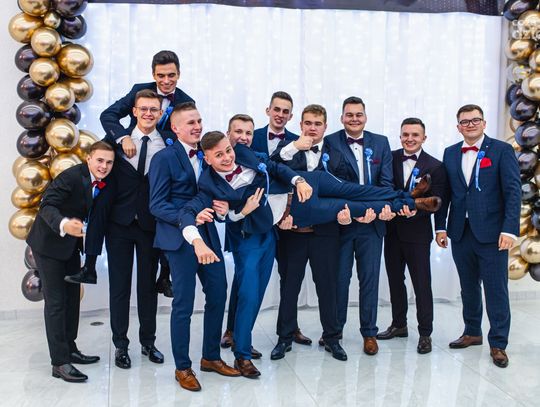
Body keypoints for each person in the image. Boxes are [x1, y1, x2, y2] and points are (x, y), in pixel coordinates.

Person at [178, 132, 440, 375]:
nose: (227, 157)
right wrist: (236, 214)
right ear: (207, 159)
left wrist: (298, 179)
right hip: (298, 211)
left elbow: (275, 167)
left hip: (310, 183)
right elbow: (203, 214)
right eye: (219, 155)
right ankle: (242, 355)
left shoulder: (243, 152)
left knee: (360, 191)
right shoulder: (208, 185)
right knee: (354, 206)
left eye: (227, 150)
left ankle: (408, 198)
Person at [148, 102, 240, 392]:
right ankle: (183, 367)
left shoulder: (207, 154)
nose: (197, 126)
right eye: (190, 122)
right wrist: (189, 217)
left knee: (218, 294)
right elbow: (156, 205)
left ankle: (210, 357)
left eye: (199, 120)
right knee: (184, 304)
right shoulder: (163, 158)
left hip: (209, 236)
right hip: (178, 240)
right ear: (175, 128)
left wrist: (222, 209)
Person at [76, 90, 168, 369]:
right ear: (135, 111)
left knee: (147, 288)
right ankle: (121, 345)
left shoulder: (167, 144)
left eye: (154, 109)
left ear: (160, 113)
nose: (149, 113)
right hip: (119, 226)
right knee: (119, 287)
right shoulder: (114, 142)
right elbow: (97, 170)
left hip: (150, 226)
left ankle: (148, 342)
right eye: (144, 109)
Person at [100, 50, 195, 297]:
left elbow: (186, 134)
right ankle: (90, 258)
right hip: (130, 156)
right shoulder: (138, 90)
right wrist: (122, 137)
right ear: (153, 74)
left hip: (162, 165)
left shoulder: (187, 101)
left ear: (179, 74)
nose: (166, 81)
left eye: (171, 75)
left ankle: (164, 275)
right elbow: (108, 115)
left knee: (173, 202)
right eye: (161, 75)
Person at [434, 104, 520, 368]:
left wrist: (509, 229)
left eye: (475, 120)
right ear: (458, 126)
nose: (470, 125)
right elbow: (445, 193)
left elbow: (513, 191)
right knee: (468, 286)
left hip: (493, 234)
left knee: (496, 289)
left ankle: (498, 343)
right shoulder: (450, 153)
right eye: (465, 121)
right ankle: (472, 331)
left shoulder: (502, 150)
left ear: (483, 123)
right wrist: (440, 227)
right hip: (460, 232)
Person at [26, 141, 115, 382]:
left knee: (72, 299)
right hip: (48, 244)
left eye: (109, 162)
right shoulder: (70, 177)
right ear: (88, 159)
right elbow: (47, 205)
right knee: (56, 303)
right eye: (100, 160)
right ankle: (59, 362)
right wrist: (65, 224)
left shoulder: (104, 180)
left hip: (70, 247)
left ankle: (70, 349)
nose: (104, 166)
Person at [269, 104, 350, 361]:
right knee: (289, 286)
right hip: (293, 232)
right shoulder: (288, 149)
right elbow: (271, 169)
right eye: (308, 123)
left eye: (317, 124)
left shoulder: (337, 155)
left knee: (327, 286)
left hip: (325, 233)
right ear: (301, 125)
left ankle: (332, 338)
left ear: (325, 127)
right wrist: (294, 146)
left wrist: (345, 214)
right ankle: (284, 338)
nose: (312, 128)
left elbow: (343, 190)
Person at [321, 96, 393, 355]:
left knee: (369, 280)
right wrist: (351, 211)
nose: (354, 119)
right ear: (342, 118)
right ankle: (335, 331)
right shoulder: (330, 142)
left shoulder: (381, 143)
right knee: (339, 280)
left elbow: (386, 184)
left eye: (358, 114)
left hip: (372, 225)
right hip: (342, 223)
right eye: (349, 114)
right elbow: (330, 184)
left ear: (365, 117)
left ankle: (369, 333)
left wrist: (372, 211)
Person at [377, 117, 447, 355]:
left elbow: (439, 201)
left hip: (418, 234)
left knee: (421, 284)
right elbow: (384, 188)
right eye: (405, 134)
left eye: (415, 135)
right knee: (395, 281)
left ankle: (425, 333)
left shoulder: (435, 166)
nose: (410, 139)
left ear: (424, 138)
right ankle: (399, 324)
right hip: (391, 231)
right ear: (400, 137)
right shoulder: (390, 157)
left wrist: (430, 221)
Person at [251, 91, 299, 156]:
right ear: (268, 111)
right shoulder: (252, 136)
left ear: (290, 116)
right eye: (277, 109)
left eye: (285, 111)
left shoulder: (297, 141)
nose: (280, 115)